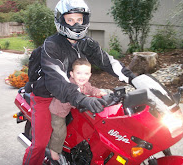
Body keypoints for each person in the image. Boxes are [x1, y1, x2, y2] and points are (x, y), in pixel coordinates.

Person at [22, 0, 136, 164]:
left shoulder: (86, 44)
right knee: (39, 144)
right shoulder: (52, 44)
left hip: (75, 94)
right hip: (47, 97)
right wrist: (82, 98)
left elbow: (107, 62)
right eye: (70, 20)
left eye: (79, 19)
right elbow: (57, 80)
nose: (76, 24)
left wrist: (133, 78)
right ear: (61, 21)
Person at [48, 58, 107, 160]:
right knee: (60, 131)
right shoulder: (70, 85)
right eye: (78, 73)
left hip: (71, 110)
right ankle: (54, 150)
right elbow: (75, 100)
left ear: (90, 75)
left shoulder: (85, 84)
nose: (82, 76)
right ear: (72, 74)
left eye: (86, 73)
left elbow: (91, 89)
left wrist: (99, 93)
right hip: (58, 111)